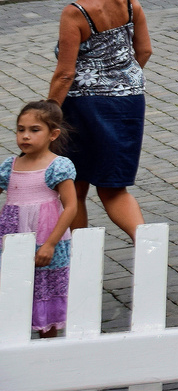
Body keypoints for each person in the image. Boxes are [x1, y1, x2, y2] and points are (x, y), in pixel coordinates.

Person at [47, 0, 150, 240]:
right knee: (113, 188)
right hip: (129, 102)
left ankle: (79, 260)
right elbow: (143, 51)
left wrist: (49, 113)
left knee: (73, 188)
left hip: (84, 109)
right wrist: (119, 80)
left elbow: (65, 74)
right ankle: (148, 248)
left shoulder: (75, 11)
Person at [0, 99, 80, 337]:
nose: (25, 136)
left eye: (34, 130)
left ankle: (47, 348)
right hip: (11, 239)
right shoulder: (9, 166)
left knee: (44, 289)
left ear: (52, 134)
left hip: (45, 239)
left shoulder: (58, 166)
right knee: (13, 290)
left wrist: (50, 244)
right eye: (21, 130)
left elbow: (71, 206)